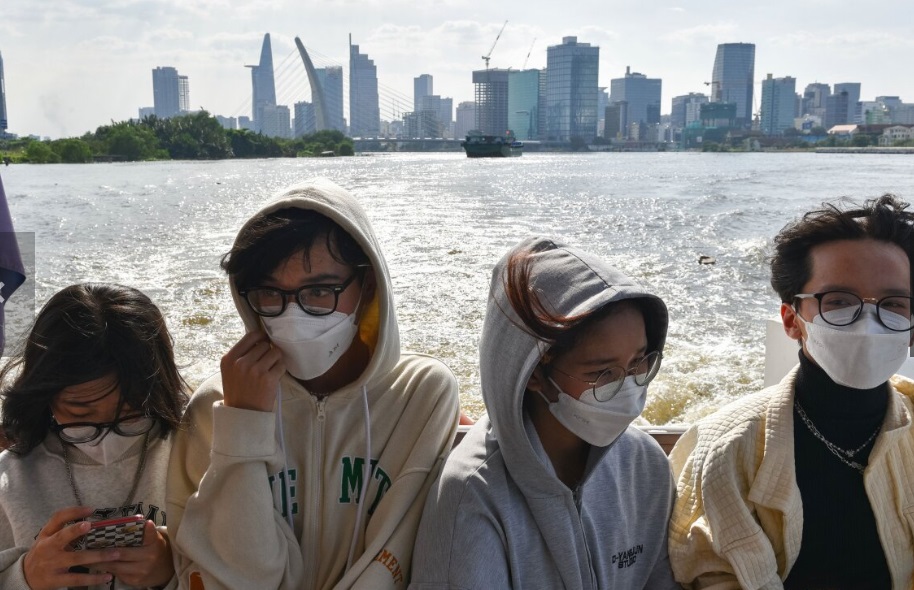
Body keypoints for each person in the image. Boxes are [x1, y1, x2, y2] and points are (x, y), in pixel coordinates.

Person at [167, 178, 460, 589]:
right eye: (270, 294)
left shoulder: (420, 394)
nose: (292, 315)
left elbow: (398, 553)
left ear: (369, 286)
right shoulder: (214, 408)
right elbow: (240, 577)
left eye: (320, 291)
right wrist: (244, 423)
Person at [668, 195, 914, 590]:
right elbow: (716, 576)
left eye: (894, 304)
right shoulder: (728, 451)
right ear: (792, 321)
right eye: (839, 302)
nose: (869, 323)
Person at [409, 237, 678, 589]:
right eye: (602, 373)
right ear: (534, 372)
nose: (629, 387)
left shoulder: (644, 465)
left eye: (639, 363)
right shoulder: (473, 495)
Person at [0, 283, 188, 590]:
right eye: (79, 414)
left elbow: (240, 572)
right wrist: (25, 576)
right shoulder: (10, 480)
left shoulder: (193, 456)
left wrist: (173, 570)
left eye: (129, 414)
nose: (105, 437)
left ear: (157, 392)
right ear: (44, 396)